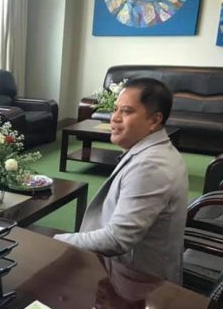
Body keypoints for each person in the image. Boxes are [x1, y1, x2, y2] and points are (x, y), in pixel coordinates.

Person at [55, 78, 188, 283]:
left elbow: (117, 239)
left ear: (154, 120)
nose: (114, 118)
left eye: (126, 111)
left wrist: (56, 241)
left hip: (136, 285)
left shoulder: (151, 166)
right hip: (124, 270)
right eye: (115, 109)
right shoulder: (154, 150)